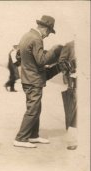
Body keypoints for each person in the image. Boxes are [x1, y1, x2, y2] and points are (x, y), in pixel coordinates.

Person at [13, 15, 63, 148]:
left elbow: (20, 56)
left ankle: (33, 135)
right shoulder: (37, 39)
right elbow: (41, 60)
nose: (47, 36)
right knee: (33, 110)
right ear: (45, 29)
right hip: (33, 80)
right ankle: (21, 138)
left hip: (28, 78)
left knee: (36, 108)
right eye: (49, 32)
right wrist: (53, 50)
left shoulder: (26, 35)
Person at [59, 41, 77, 150]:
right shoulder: (70, 45)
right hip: (74, 80)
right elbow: (62, 61)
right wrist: (70, 71)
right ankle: (73, 140)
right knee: (73, 110)